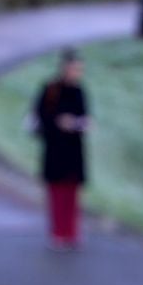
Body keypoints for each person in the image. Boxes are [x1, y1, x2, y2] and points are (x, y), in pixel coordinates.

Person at [32, 49, 91, 249]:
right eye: (74, 69)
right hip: (55, 148)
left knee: (72, 191)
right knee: (57, 191)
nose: (77, 73)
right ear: (65, 69)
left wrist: (78, 124)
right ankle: (58, 231)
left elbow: (85, 118)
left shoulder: (79, 91)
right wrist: (58, 123)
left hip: (74, 149)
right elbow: (39, 117)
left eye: (79, 70)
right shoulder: (51, 90)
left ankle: (72, 231)